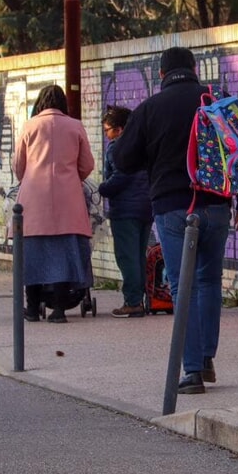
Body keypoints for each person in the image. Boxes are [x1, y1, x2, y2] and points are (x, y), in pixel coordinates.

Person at [113, 46, 238, 395]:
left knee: (182, 286)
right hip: (217, 205)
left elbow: (123, 160)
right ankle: (206, 356)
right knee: (209, 281)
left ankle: (191, 370)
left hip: (172, 207)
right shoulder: (217, 100)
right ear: (195, 69)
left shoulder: (150, 109)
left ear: (161, 74)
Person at [13, 84, 95, 324]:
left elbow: (19, 165)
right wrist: (71, 178)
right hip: (68, 199)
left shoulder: (30, 126)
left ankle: (31, 307)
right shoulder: (75, 126)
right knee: (63, 253)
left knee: (32, 254)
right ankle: (59, 309)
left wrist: (28, 179)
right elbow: (87, 164)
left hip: (32, 199)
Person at [98, 105, 153, 319]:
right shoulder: (145, 146)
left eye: (108, 130)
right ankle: (141, 298)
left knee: (126, 257)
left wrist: (103, 188)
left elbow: (120, 177)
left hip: (125, 209)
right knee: (139, 256)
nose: (106, 135)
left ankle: (133, 301)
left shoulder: (117, 148)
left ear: (120, 129)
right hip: (146, 207)